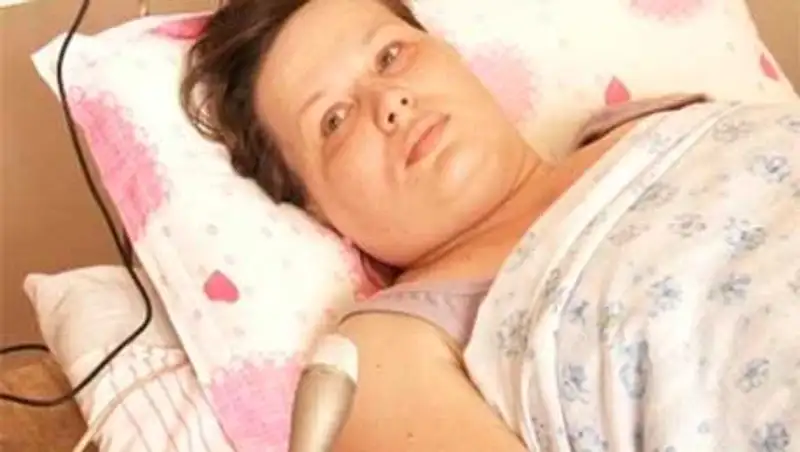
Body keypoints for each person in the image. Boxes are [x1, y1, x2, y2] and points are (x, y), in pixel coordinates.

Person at [181, 0, 800, 450]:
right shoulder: (383, 356)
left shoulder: (655, 120)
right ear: (314, 206)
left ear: (453, 56)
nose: (389, 102)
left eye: (391, 55)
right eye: (334, 120)